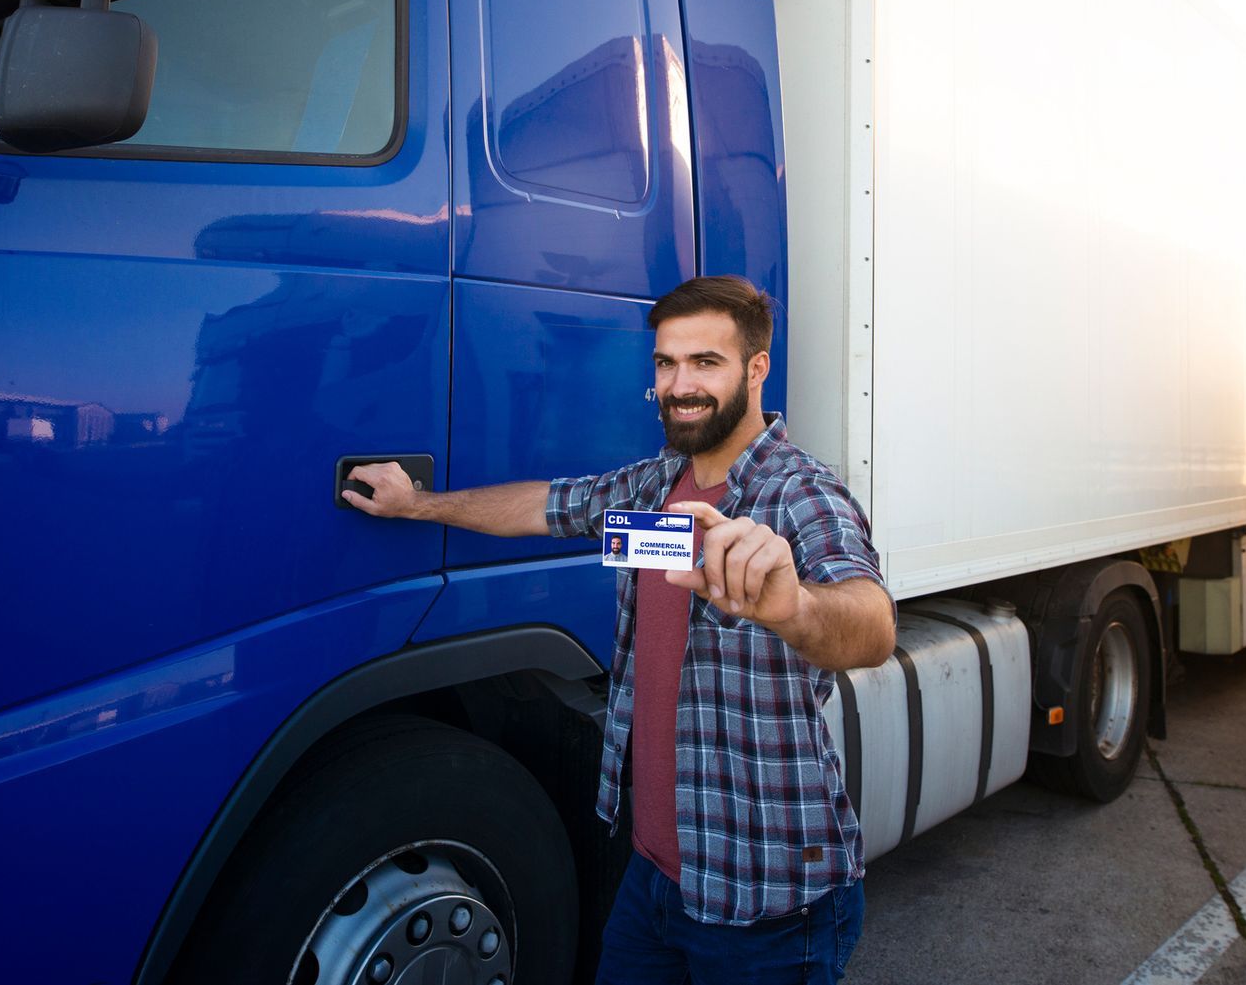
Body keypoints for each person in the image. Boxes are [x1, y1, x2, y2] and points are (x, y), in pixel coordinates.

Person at [343, 275, 897, 983]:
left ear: (757, 369)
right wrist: (416, 504)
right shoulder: (655, 486)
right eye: (666, 363)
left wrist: (796, 606)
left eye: (705, 362)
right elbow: (545, 505)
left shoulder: (798, 492)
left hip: (766, 901)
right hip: (654, 878)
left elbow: (873, 623)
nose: (680, 384)